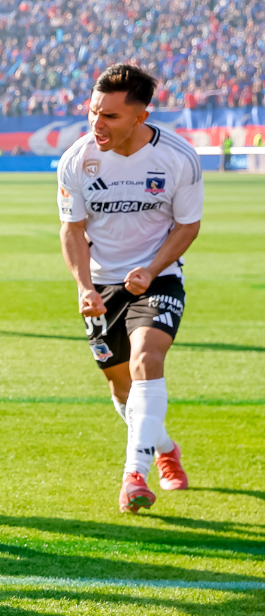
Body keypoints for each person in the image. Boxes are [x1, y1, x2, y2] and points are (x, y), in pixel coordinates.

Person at [57, 64, 201, 513]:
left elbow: (188, 225)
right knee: (123, 391)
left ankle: (132, 477)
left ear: (140, 116)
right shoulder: (77, 159)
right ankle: (164, 448)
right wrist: (84, 286)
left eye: (111, 117)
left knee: (146, 359)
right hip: (101, 285)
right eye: (92, 112)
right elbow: (72, 230)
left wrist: (152, 267)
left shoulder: (177, 157)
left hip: (158, 278)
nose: (97, 124)